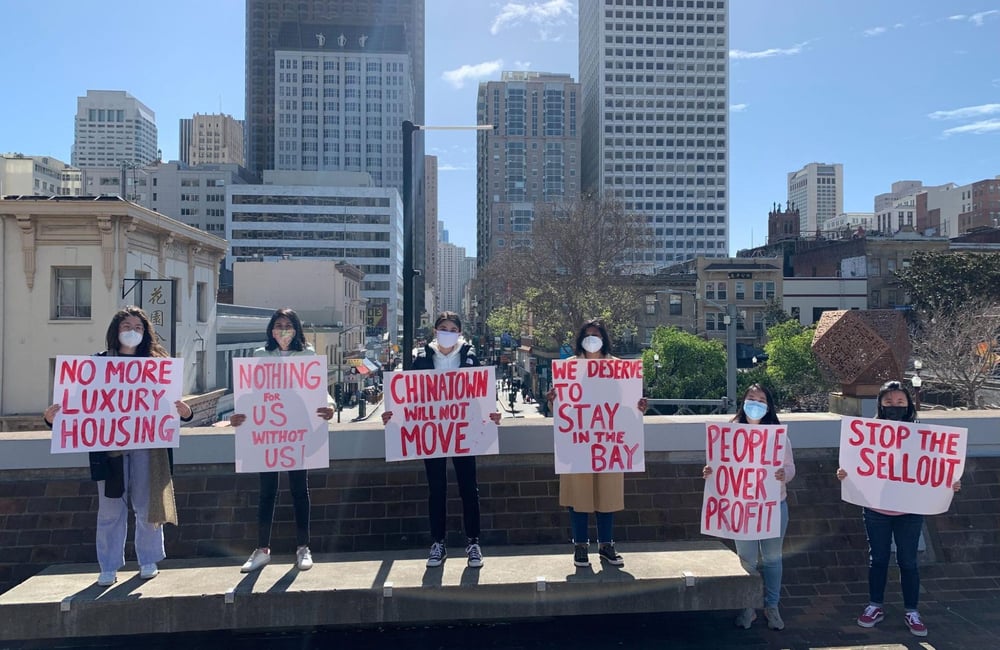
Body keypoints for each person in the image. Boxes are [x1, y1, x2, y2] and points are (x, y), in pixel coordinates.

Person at [43, 306, 193, 587]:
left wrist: (185, 413)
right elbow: (78, 407)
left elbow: (169, 408)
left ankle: (148, 560)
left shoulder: (156, 364)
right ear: (116, 331)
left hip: (148, 448)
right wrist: (52, 419)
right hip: (109, 451)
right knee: (110, 509)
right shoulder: (96, 364)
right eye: (127, 326)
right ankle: (108, 565)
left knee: (147, 505)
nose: (132, 331)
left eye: (138, 327)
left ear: (145, 332)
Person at [836, 380, 962, 638]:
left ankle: (912, 610)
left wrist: (951, 482)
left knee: (908, 561)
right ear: (880, 404)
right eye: (889, 402)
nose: (894, 406)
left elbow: (936, 467)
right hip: (876, 509)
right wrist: (845, 474)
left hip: (910, 510)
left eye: (900, 402)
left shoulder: (922, 435)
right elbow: (858, 463)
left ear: (908, 405)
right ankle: (875, 605)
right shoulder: (868, 433)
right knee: (878, 559)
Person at [381, 311, 501, 568]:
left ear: (459, 332)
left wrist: (493, 413)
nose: (447, 332)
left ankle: (473, 542)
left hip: (464, 431)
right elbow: (409, 395)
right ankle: (438, 543)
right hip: (432, 433)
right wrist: (393, 414)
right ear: (435, 331)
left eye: (452, 328)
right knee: (437, 490)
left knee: (469, 488)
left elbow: (482, 394)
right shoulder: (422, 358)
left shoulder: (470, 356)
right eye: (442, 327)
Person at [229, 308, 334, 573]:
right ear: (271, 330)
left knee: (300, 490)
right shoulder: (259, 356)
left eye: (288, 324)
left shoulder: (308, 356)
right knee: (267, 491)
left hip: (297, 431)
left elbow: (320, 390)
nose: (283, 329)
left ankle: (303, 548)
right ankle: (262, 549)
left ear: (297, 329)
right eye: (279, 325)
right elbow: (250, 394)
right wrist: (238, 414)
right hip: (268, 432)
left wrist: (330, 406)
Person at [545, 319, 648, 568]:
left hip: (608, 442)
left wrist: (640, 406)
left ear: (604, 339)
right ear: (580, 339)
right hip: (578, 442)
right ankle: (580, 545)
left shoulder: (618, 368)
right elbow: (561, 409)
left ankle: (606, 544)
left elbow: (627, 405)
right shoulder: (569, 368)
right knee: (578, 496)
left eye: (596, 334)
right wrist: (552, 400)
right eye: (587, 334)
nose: (592, 339)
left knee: (607, 494)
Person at [703, 384, 794, 631]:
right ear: (743, 402)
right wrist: (710, 472)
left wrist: (782, 474)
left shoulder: (777, 435)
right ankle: (748, 606)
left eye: (761, 399)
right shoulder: (730, 432)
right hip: (740, 507)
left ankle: (772, 606)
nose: (755, 403)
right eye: (751, 398)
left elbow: (790, 468)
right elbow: (718, 464)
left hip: (773, 506)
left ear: (769, 405)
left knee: (773, 560)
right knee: (746, 560)